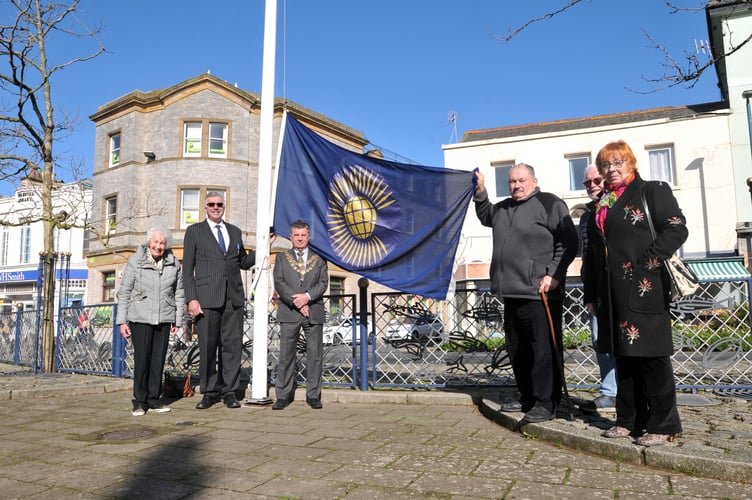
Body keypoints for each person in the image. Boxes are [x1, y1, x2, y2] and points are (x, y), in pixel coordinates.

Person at [582, 140, 687, 446]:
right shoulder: (603, 203)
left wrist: (648, 263)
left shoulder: (651, 190)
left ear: (631, 163)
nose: (611, 170)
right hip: (611, 295)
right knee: (624, 356)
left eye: (618, 163)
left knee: (652, 358)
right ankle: (629, 419)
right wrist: (591, 293)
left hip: (644, 288)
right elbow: (593, 254)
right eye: (606, 165)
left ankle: (665, 423)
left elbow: (676, 229)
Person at [474, 164, 578, 423]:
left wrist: (554, 274)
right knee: (518, 350)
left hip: (539, 292)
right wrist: (480, 191)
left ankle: (546, 402)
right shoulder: (505, 207)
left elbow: (570, 241)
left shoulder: (549, 203)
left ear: (534, 181)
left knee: (542, 350)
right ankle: (528, 397)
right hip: (511, 292)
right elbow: (487, 215)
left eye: (521, 180)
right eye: (511, 181)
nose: (516, 185)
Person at [183, 191, 256, 410]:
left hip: (232, 298)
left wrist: (263, 246)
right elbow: (187, 270)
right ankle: (209, 392)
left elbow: (242, 262)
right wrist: (191, 298)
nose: (216, 207)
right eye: (212, 204)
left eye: (220, 204)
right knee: (207, 346)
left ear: (224, 206)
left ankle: (230, 391)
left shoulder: (234, 231)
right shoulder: (194, 231)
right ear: (205, 207)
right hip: (206, 299)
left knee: (232, 347)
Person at [117, 226, 185, 416]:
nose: (158, 246)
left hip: (163, 317)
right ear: (149, 242)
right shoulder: (135, 262)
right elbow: (125, 292)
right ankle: (139, 401)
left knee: (158, 360)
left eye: (162, 243)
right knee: (142, 360)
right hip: (140, 317)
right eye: (155, 242)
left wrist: (178, 320)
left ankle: (154, 399)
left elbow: (179, 292)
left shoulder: (174, 263)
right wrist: (122, 321)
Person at [272, 219, 329, 410]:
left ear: (308, 237)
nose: (300, 238)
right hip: (289, 312)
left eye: (303, 235)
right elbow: (279, 282)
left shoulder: (319, 258)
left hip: (314, 310)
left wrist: (307, 297)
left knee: (315, 355)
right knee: (286, 356)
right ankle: (283, 396)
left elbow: (323, 283)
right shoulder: (281, 257)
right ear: (291, 237)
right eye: (296, 235)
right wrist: (297, 301)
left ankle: (313, 395)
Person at [579, 164, 618, 413]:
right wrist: (589, 294)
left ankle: (627, 391)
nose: (593, 185)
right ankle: (611, 391)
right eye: (587, 182)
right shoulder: (585, 216)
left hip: (623, 286)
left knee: (625, 342)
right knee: (599, 340)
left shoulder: (619, 207)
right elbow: (587, 258)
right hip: (598, 289)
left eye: (597, 180)